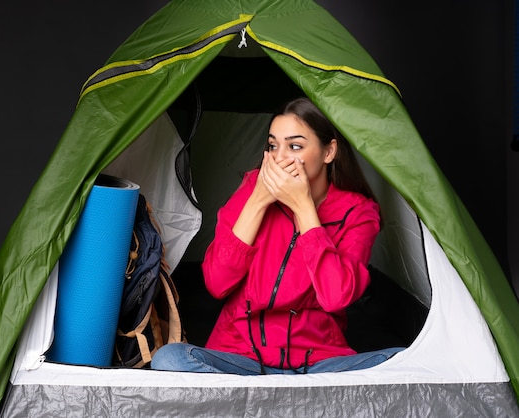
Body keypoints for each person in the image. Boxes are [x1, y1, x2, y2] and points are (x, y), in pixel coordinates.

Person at [151, 97, 403, 375]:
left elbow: (335, 297)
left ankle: (270, 400)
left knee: (404, 362)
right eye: (273, 146)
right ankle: (289, 401)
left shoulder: (358, 211)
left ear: (329, 152)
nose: (280, 159)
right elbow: (216, 283)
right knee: (169, 359)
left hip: (319, 363)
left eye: (295, 146)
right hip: (242, 358)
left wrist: (303, 207)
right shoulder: (251, 190)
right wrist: (258, 200)